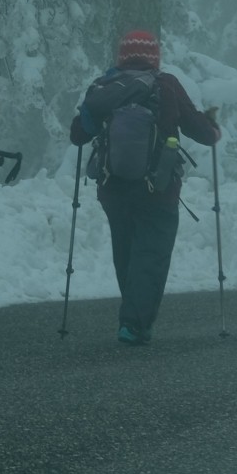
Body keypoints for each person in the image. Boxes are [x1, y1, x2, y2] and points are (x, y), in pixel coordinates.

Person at [71, 29, 220, 345]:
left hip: (113, 188)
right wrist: (213, 129)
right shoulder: (166, 85)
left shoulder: (105, 87)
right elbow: (202, 132)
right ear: (154, 57)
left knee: (125, 251)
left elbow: (77, 134)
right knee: (150, 254)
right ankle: (135, 323)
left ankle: (132, 316)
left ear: (122, 55)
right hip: (158, 187)